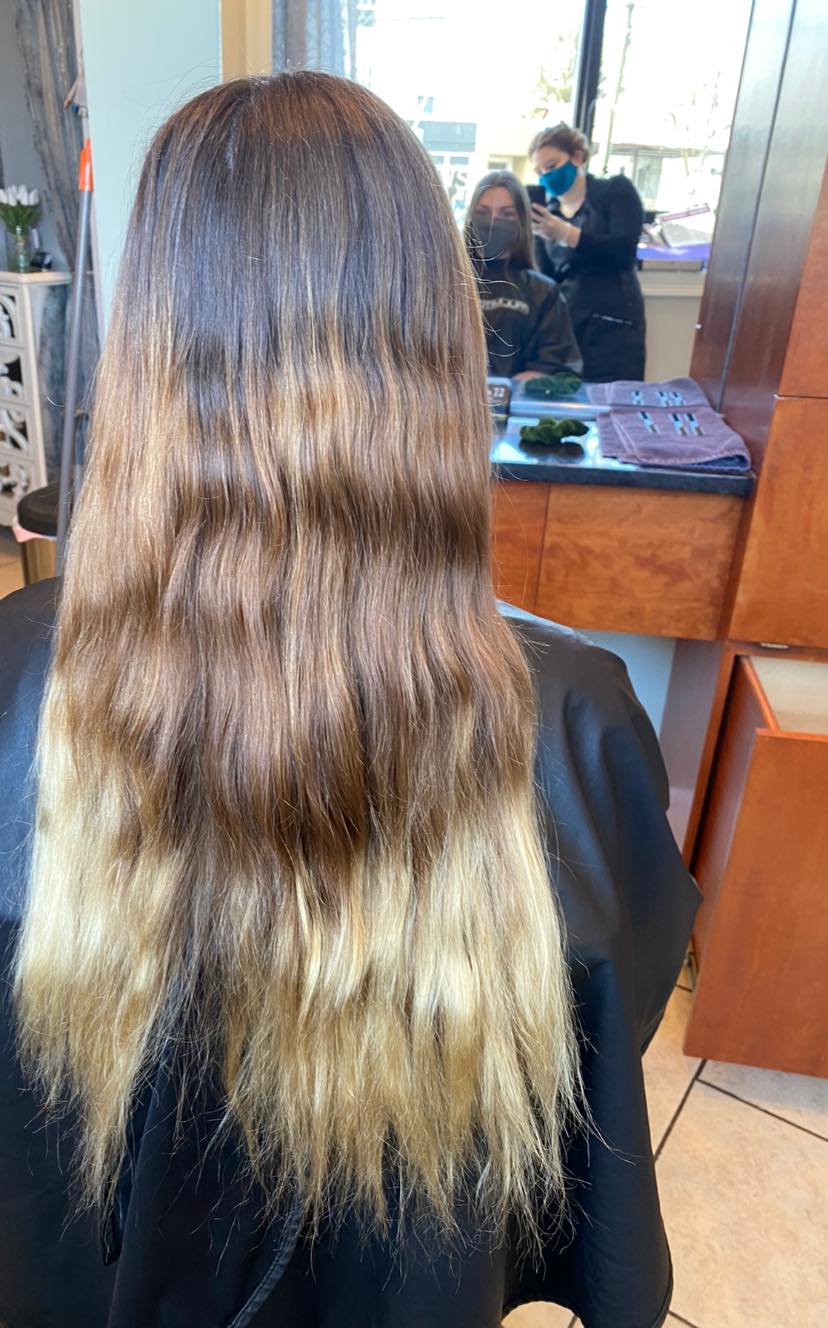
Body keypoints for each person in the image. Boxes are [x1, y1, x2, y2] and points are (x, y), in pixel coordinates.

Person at [0, 73, 697, 1328]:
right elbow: (609, 1035)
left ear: (152, 337)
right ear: (434, 342)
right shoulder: (577, 726)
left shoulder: (14, 674)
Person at [529, 123, 647, 382]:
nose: (546, 176)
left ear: (577, 157)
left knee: (611, 396)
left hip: (614, 324)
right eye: (539, 172)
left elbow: (624, 250)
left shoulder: (614, 192)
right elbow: (547, 277)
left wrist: (567, 234)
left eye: (551, 166)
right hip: (568, 324)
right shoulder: (548, 215)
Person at [464, 170, 582, 380]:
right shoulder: (443, 283)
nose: (493, 221)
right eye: (483, 212)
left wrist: (507, 389)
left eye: (506, 214)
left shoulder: (543, 291)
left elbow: (556, 364)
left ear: (521, 221)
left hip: (514, 398)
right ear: (471, 217)